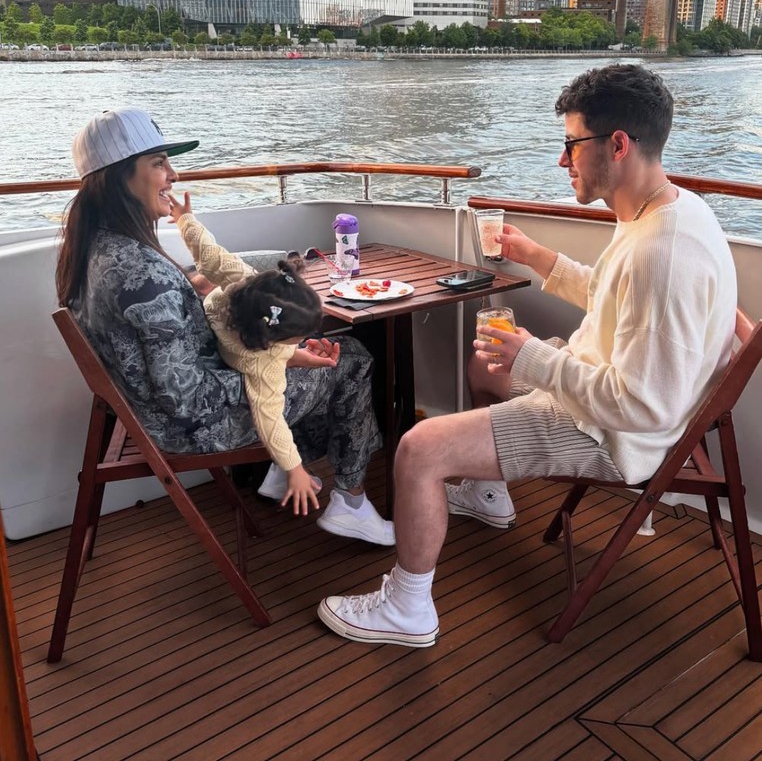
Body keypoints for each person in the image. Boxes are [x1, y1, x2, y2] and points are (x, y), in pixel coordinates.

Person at [317, 63, 738, 647]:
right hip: (603, 393)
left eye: (571, 145)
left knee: (417, 448)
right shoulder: (662, 212)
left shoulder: (662, 253)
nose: (562, 161)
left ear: (617, 145)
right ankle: (489, 495)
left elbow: (644, 406)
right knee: (485, 362)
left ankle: (408, 607)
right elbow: (617, 300)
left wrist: (535, 358)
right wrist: (538, 257)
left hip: (612, 434)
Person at [56, 107, 394, 546]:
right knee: (351, 361)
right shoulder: (142, 273)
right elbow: (185, 398)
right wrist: (272, 365)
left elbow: (168, 335)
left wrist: (277, 352)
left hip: (142, 410)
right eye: (158, 163)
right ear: (119, 176)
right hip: (188, 428)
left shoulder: (93, 249)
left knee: (292, 349)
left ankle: (283, 466)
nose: (172, 175)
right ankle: (349, 503)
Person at [169, 191, 334, 517]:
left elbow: (207, 252)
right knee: (353, 364)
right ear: (273, 340)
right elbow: (269, 419)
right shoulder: (264, 362)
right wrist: (294, 468)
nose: (303, 340)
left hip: (218, 328)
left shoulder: (245, 279)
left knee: (205, 271)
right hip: (231, 364)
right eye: (297, 339)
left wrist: (184, 219)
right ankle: (292, 475)